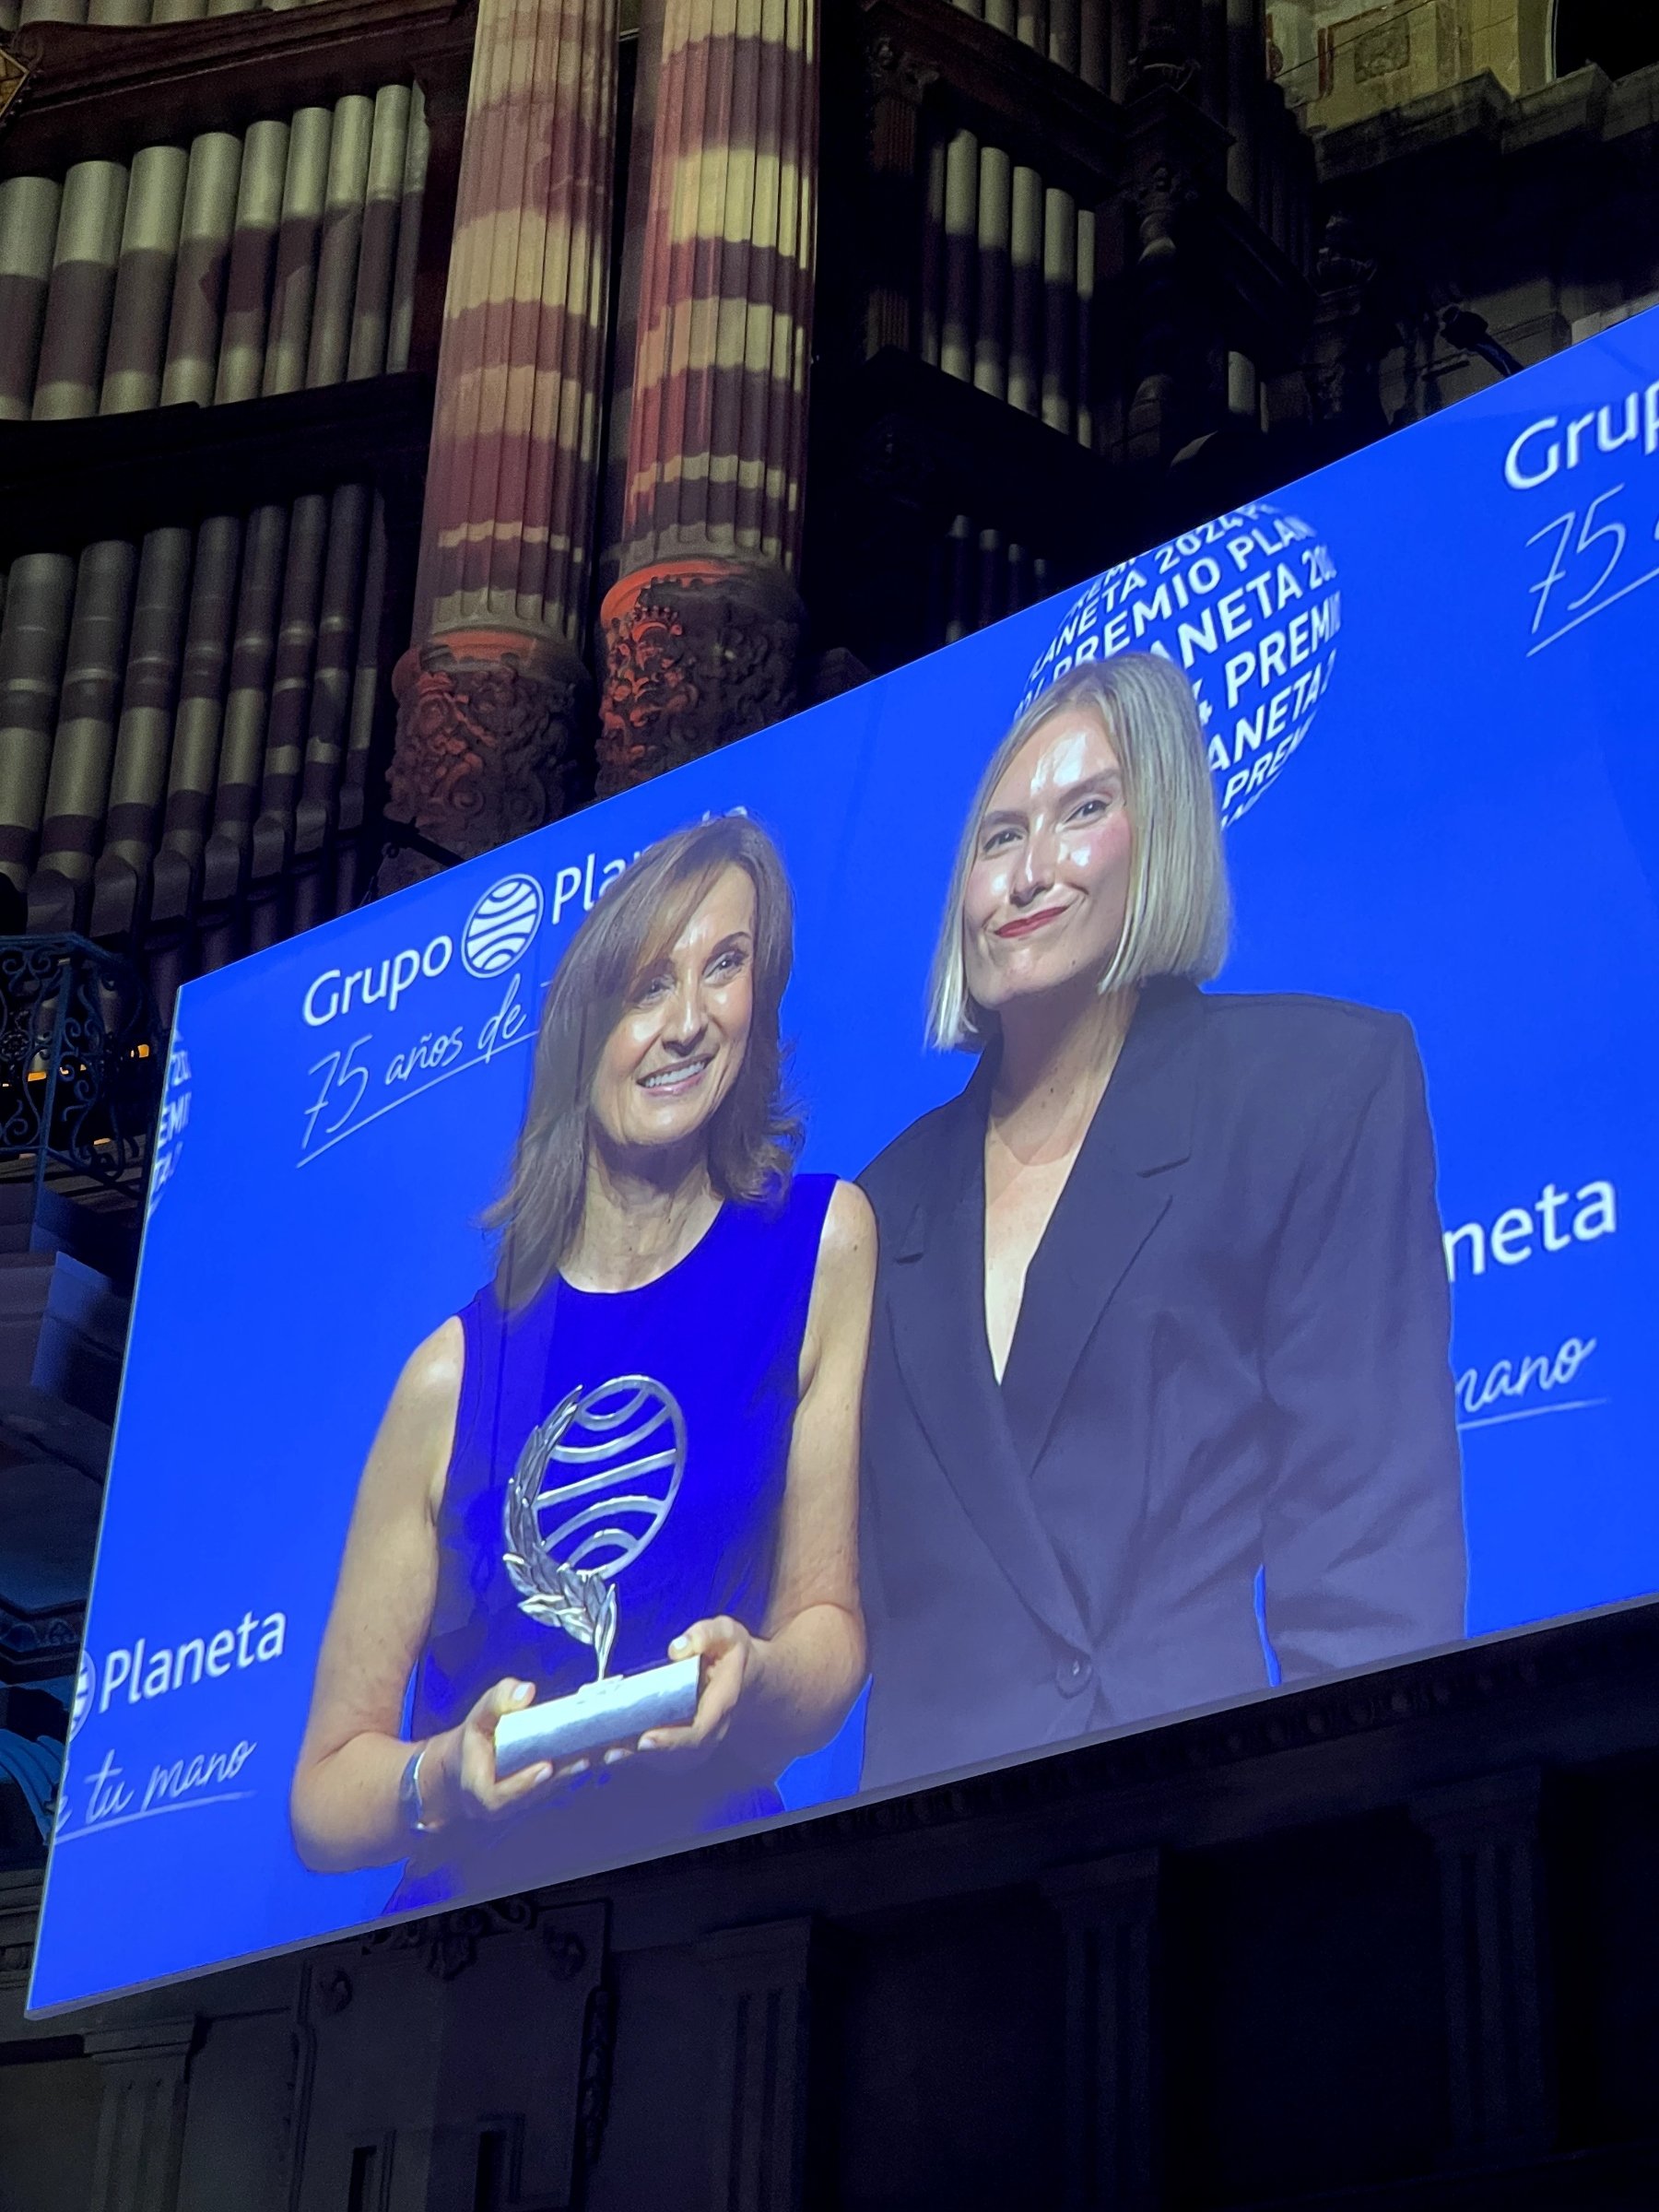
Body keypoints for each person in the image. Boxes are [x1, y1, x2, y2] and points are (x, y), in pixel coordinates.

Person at [857, 652, 1466, 1793]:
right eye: (998, 837)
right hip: (925, 1889)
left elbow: (1372, 1562)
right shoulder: (874, 1206)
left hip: (1214, 1844)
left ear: (1165, 835)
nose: (1030, 871)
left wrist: (1348, 1848)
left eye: (1084, 812)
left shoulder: (1315, 1087)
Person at [291, 816, 874, 1909]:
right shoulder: (450, 1375)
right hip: (472, 1955)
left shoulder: (821, 1246)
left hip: (721, 1914)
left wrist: (753, 1683)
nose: (691, 1022)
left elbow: (829, 1637)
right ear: (582, 1029)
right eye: (649, 985)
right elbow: (325, 1793)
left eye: (726, 968)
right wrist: (446, 1775)